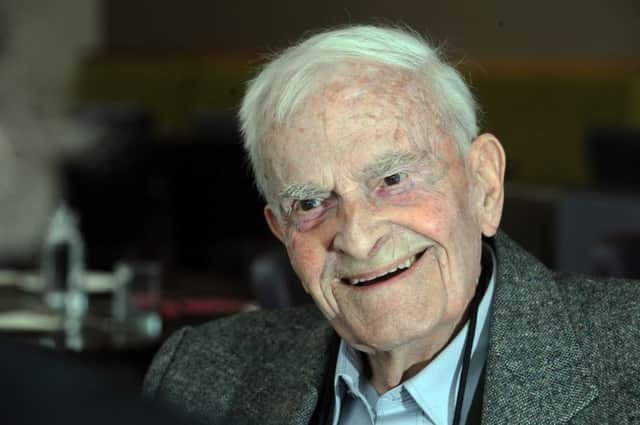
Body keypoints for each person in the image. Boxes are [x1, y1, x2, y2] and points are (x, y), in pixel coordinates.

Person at [143, 25, 640, 425]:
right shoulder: (196, 376)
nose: (358, 238)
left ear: (484, 185)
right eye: (312, 201)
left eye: (393, 178)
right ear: (281, 232)